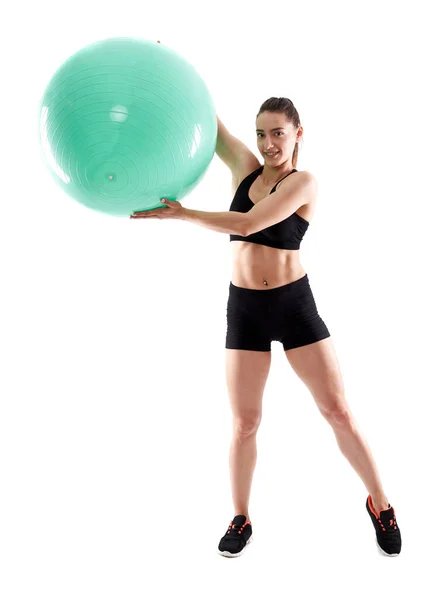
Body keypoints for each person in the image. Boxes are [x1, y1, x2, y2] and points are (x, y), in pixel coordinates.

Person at [130, 96, 402, 559]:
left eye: (278, 132)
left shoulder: (305, 183)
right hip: (245, 310)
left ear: (299, 133)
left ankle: (381, 503)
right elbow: (212, 128)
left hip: (293, 306)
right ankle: (241, 517)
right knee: (244, 422)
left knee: (336, 410)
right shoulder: (246, 170)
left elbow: (251, 222)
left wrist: (183, 214)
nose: (268, 142)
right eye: (260, 133)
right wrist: (166, 72)